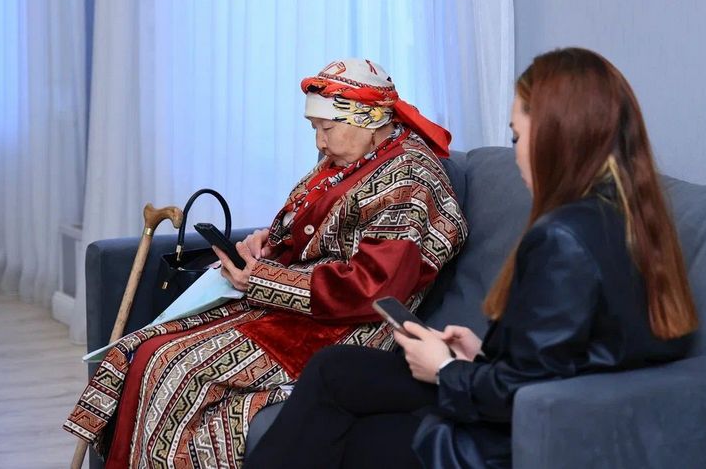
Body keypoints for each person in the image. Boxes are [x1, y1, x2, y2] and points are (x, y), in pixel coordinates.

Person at [249, 47, 700, 468]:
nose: (516, 152)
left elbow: (524, 397)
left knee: (349, 432)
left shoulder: (562, 238)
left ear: (557, 139)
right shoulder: (629, 218)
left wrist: (446, 370)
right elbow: (571, 358)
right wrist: (481, 354)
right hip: (514, 399)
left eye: (517, 136)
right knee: (335, 369)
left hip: (502, 437)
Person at [63, 58, 467, 468]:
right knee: (140, 350)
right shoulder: (350, 160)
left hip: (348, 330)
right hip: (298, 310)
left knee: (174, 369)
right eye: (315, 129)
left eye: (327, 128)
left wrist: (260, 278)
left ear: (370, 120)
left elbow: (372, 288)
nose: (319, 142)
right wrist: (271, 245)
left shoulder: (408, 179)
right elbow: (308, 232)